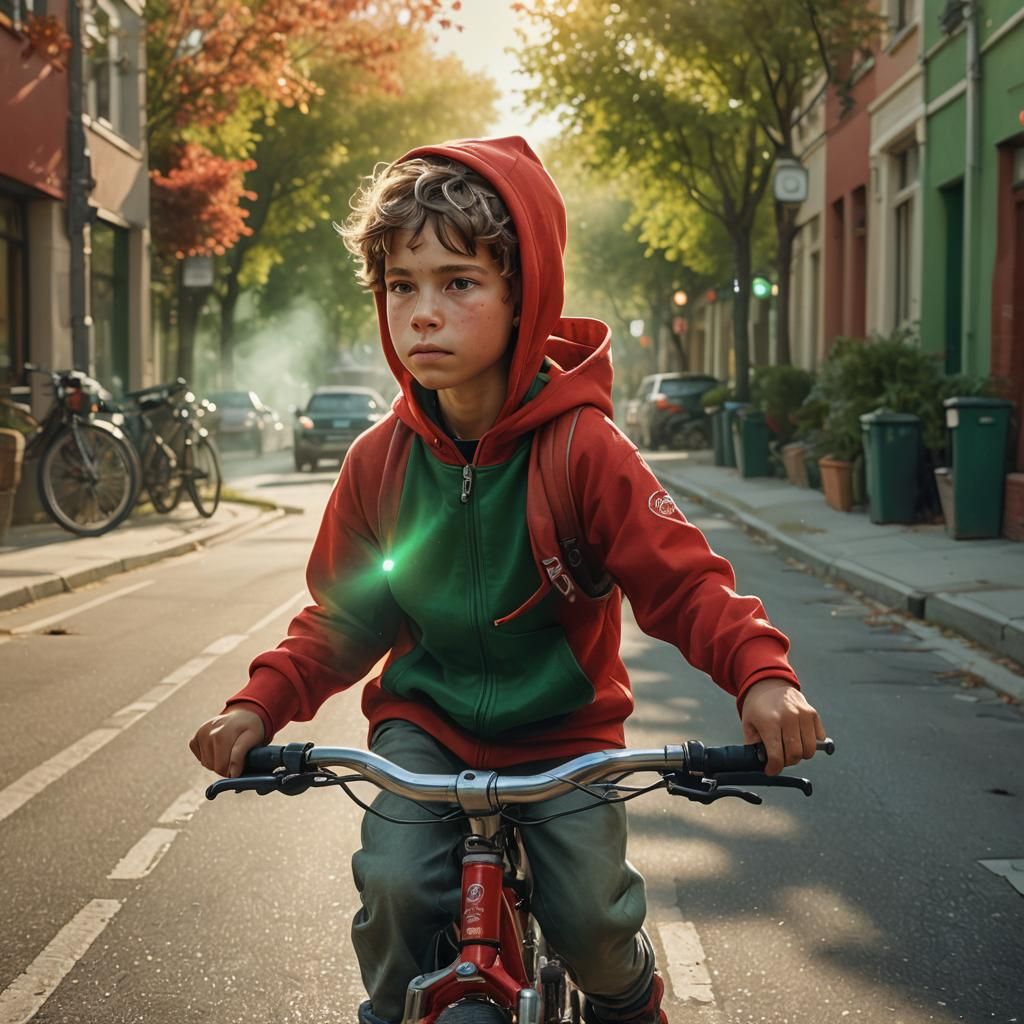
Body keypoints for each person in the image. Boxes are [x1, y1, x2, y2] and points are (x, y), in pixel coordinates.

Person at [190, 136, 825, 1024]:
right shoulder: (379, 462)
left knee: (593, 925)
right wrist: (259, 704)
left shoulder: (584, 448)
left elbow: (684, 582)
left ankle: (631, 1002)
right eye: (400, 285)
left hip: (563, 734)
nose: (422, 312)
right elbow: (342, 619)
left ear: (524, 297)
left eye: (459, 282)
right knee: (396, 891)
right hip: (426, 731)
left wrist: (763, 675)